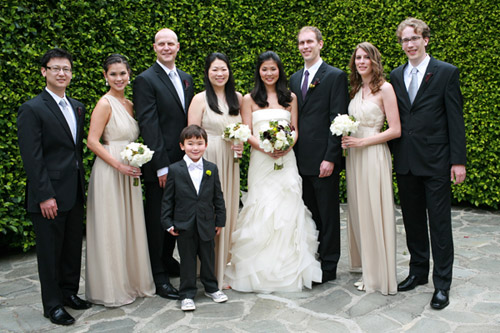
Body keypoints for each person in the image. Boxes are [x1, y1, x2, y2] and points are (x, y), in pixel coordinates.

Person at [225, 51, 322, 292]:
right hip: (262, 160)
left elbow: (295, 129)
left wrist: (285, 145)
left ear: (280, 70)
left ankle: (288, 267)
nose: (269, 73)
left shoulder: (290, 97)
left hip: (286, 159)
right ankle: (259, 269)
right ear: (259, 71)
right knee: (262, 206)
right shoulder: (249, 99)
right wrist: (266, 147)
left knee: (288, 206)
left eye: (273, 69)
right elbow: (246, 131)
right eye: (264, 69)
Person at [390, 18, 467, 309]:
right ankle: (418, 272)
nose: (409, 44)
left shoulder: (446, 72)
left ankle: (442, 285)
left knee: (439, 224)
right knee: (412, 222)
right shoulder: (396, 76)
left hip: (436, 161)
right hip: (407, 161)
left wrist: (458, 161)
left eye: (414, 38)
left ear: (426, 40)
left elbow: (454, 119)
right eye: (404, 40)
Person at [17, 48, 91, 325]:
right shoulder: (32, 108)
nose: (62, 73)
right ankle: (52, 305)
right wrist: (44, 195)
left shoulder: (77, 106)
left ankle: (69, 293)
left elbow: (74, 152)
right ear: (44, 71)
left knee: (72, 247)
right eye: (56, 68)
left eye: (67, 69)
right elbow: (32, 158)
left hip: (73, 191)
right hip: (48, 195)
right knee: (49, 253)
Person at [85, 54, 155, 306]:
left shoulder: (130, 103)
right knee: (111, 226)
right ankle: (111, 288)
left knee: (129, 224)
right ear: (105, 76)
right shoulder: (104, 104)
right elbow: (92, 141)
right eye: (113, 74)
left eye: (123, 73)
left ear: (129, 75)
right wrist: (117, 165)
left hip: (130, 169)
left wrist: (135, 161)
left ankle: (132, 281)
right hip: (110, 170)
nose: (118, 78)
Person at [133, 28, 194, 300]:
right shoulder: (145, 80)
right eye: (161, 44)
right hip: (162, 165)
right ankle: (159, 276)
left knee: (178, 216)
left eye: (171, 43)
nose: (166, 48)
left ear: (178, 47)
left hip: (184, 162)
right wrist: (161, 166)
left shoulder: (187, 79)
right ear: (154, 47)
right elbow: (149, 124)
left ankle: (168, 261)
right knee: (160, 219)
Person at [290, 26, 349, 283]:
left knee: (328, 215)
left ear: (320, 44)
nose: (305, 46)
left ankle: (329, 265)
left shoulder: (335, 76)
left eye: (310, 42)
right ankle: (311, 259)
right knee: (308, 213)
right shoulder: (292, 79)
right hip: (298, 159)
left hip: (323, 160)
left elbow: (338, 119)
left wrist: (330, 157)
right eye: (301, 42)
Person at [341, 42, 401, 295]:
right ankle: (366, 266)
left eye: (366, 57)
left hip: (374, 153)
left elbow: (395, 130)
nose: (361, 62)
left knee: (375, 209)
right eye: (357, 58)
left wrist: (363, 141)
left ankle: (378, 275)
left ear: (374, 61)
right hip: (354, 156)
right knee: (359, 209)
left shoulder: (385, 88)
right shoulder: (357, 89)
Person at [188, 52, 243, 290]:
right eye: (214, 70)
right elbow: (191, 134)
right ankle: (207, 268)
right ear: (207, 73)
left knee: (229, 209)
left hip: (231, 161)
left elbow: (244, 128)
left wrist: (240, 142)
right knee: (208, 212)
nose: (220, 74)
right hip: (208, 159)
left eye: (223, 69)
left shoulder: (238, 98)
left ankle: (226, 264)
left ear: (229, 71)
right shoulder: (199, 99)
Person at [161, 125, 228, 311]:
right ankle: (187, 294)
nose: (195, 147)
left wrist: (220, 220)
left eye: (199, 143)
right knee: (187, 260)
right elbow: (168, 200)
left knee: (208, 258)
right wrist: (167, 223)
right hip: (184, 224)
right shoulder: (175, 170)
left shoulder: (211, 169)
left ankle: (211, 288)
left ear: (206, 145)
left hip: (207, 222)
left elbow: (218, 197)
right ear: (182, 146)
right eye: (190, 144)